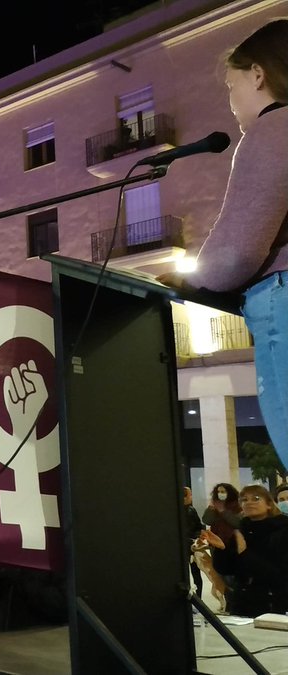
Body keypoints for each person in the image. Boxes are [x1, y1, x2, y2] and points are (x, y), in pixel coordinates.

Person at [159, 18, 288, 471]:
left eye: (232, 86)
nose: (231, 103)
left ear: (259, 75)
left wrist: (196, 279)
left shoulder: (274, 132)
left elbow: (236, 252)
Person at [203, 484, 288, 617]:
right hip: (242, 604)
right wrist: (222, 549)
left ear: (269, 505)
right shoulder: (242, 530)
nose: (249, 503)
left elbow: (279, 574)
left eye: (256, 498)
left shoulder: (282, 530)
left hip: (273, 604)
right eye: (244, 499)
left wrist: (245, 553)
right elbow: (226, 569)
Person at [0, 565, 68, 632]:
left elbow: (63, 605)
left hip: (44, 645)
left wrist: (18, 573)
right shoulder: (13, 545)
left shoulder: (64, 547)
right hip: (3, 641)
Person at [183, 487, 205, 597]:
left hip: (193, 546)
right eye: (190, 495)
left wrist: (197, 538)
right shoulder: (179, 511)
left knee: (196, 573)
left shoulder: (191, 509)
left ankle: (198, 598)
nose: (191, 497)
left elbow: (198, 526)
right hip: (185, 546)